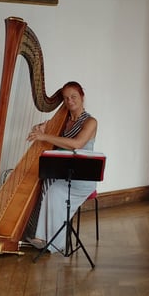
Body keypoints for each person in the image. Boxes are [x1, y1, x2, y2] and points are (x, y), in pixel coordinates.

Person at [25, 81, 98, 252]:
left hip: (82, 176)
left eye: (73, 96)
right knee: (43, 181)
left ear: (82, 97)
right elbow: (45, 134)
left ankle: (50, 241)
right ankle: (36, 233)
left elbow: (77, 144)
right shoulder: (63, 121)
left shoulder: (90, 122)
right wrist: (40, 128)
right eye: (66, 98)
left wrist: (45, 136)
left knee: (52, 188)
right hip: (62, 172)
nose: (69, 101)